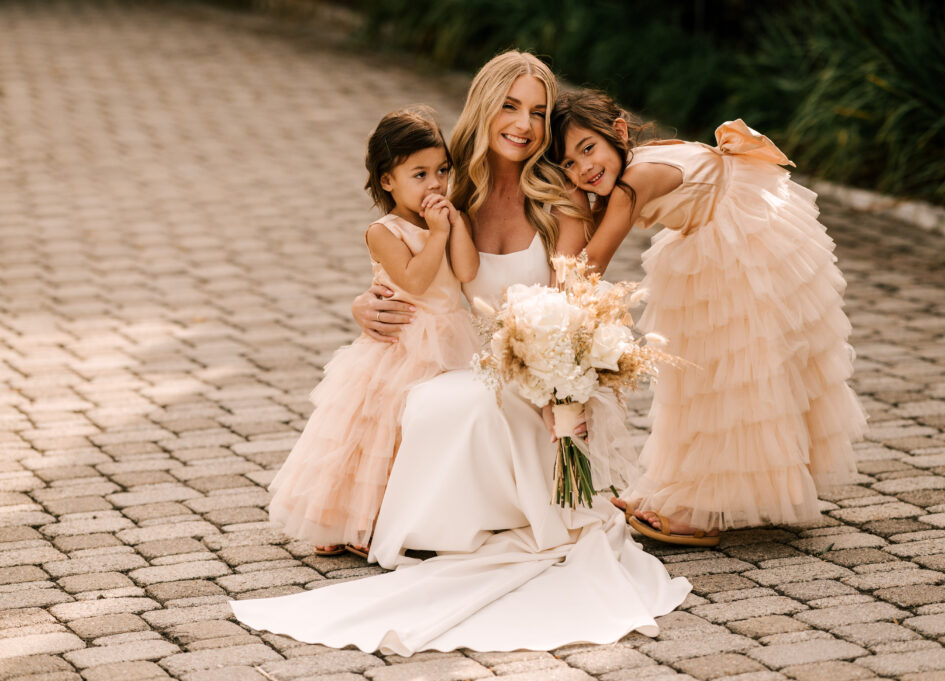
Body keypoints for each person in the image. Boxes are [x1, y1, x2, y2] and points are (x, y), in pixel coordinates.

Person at [231, 51, 691, 656]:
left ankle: (481, 519)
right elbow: (405, 272)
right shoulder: (451, 189)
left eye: (537, 111)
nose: (523, 124)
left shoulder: (561, 201)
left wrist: (556, 369)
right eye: (509, 105)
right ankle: (430, 529)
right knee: (437, 401)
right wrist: (362, 305)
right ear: (483, 104)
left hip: (540, 379)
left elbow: (576, 307)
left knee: (466, 404)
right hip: (455, 361)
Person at [549, 89, 867, 545]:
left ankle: (702, 509)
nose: (584, 170)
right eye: (568, 165)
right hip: (744, 226)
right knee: (706, 380)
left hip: (739, 248)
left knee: (722, 379)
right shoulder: (639, 156)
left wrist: (571, 213)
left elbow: (590, 263)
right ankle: (677, 490)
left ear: (617, 132)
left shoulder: (629, 185)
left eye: (588, 149)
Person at [266, 108, 479, 559]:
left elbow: (467, 270)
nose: (435, 184)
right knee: (378, 435)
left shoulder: (449, 217)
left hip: (451, 339)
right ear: (388, 182)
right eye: (419, 174)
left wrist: (454, 225)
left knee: (423, 435)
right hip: (402, 343)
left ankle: (412, 514)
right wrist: (438, 232)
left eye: (442, 170)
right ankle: (355, 520)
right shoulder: (384, 231)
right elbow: (416, 282)